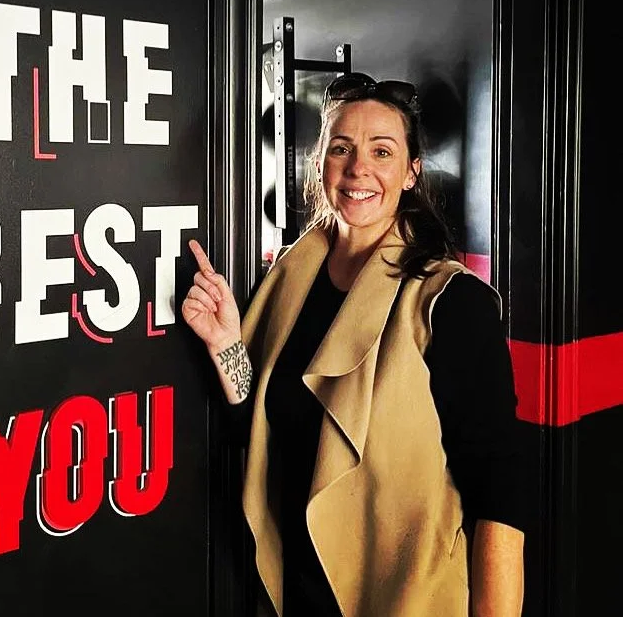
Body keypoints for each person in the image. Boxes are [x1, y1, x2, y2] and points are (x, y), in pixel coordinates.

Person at [182, 72, 525, 617]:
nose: (358, 168)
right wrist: (227, 342)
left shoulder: (452, 302)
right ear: (320, 162)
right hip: (296, 592)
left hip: (407, 600)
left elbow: (499, 491)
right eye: (341, 148)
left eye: (381, 152)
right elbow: (260, 427)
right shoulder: (288, 276)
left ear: (411, 172)